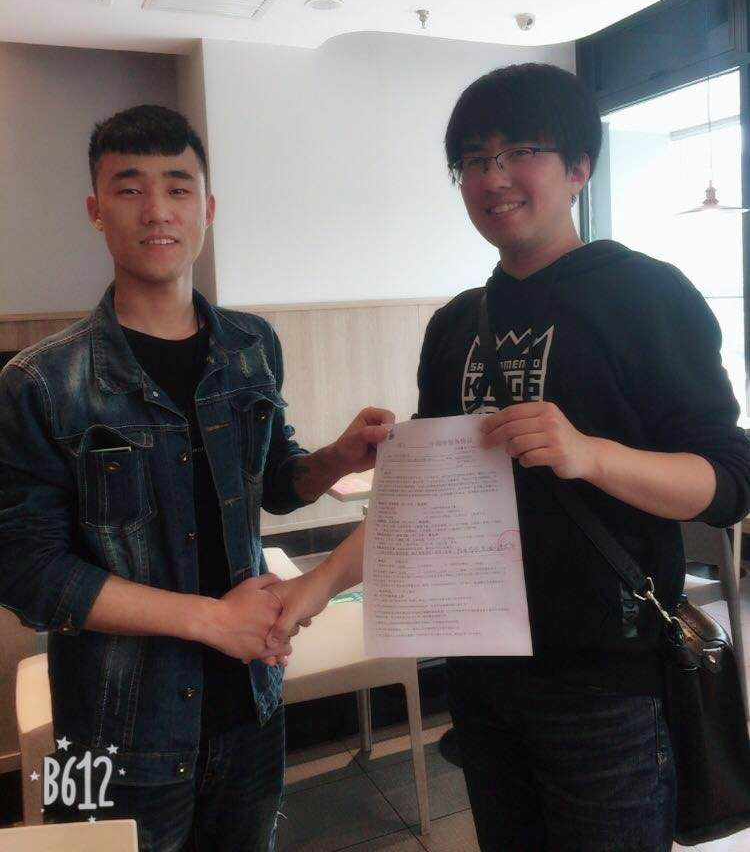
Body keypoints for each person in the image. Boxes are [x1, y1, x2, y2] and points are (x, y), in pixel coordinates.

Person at [265, 64, 750, 851]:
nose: (494, 177)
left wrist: (590, 455)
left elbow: (727, 483)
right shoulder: (457, 325)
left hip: (604, 684)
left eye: (521, 151)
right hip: (481, 679)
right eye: (474, 159)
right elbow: (422, 510)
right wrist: (314, 586)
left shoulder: (647, 296)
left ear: (579, 167)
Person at [0, 104, 392, 851]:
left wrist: (336, 459)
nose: (157, 210)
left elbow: (272, 481)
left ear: (206, 209)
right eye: (129, 188)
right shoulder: (38, 381)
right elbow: (26, 574)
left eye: (178, 188)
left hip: (252, 706)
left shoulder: (251, 344)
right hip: (102, 730)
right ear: (95, 210)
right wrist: (209, 619)